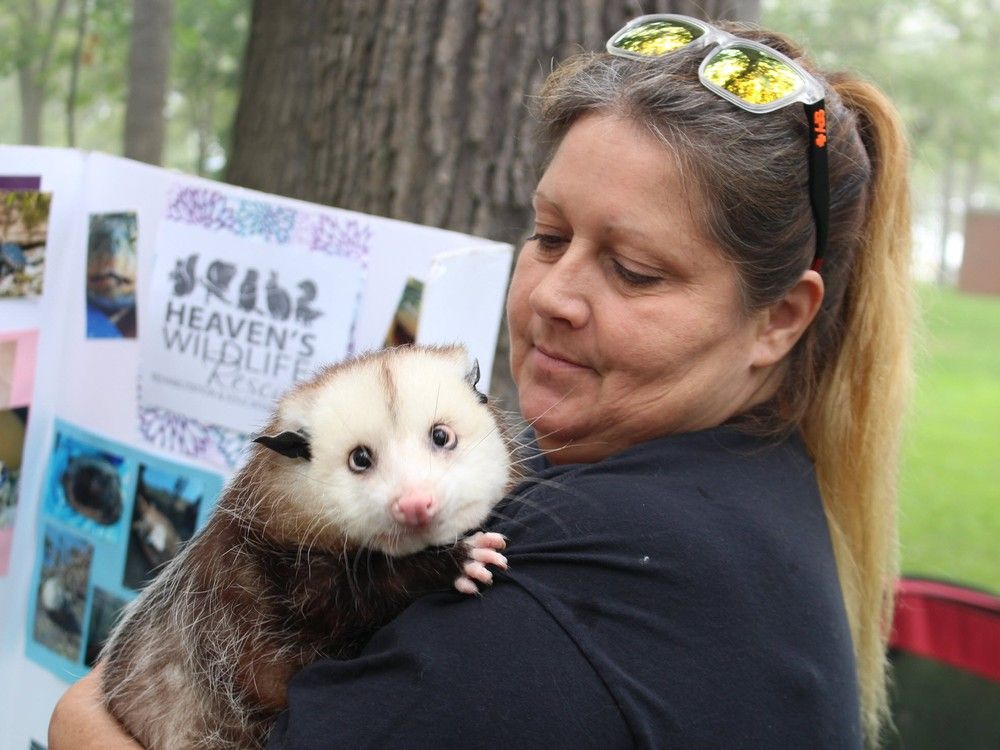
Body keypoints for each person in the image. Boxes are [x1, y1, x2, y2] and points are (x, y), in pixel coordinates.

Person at [49, 14, 911, 749]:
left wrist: (77, 720)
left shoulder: (570, 589)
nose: (553, 296)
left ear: (779, 319)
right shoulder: (745, 477)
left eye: (634, 271)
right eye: (549, 236)